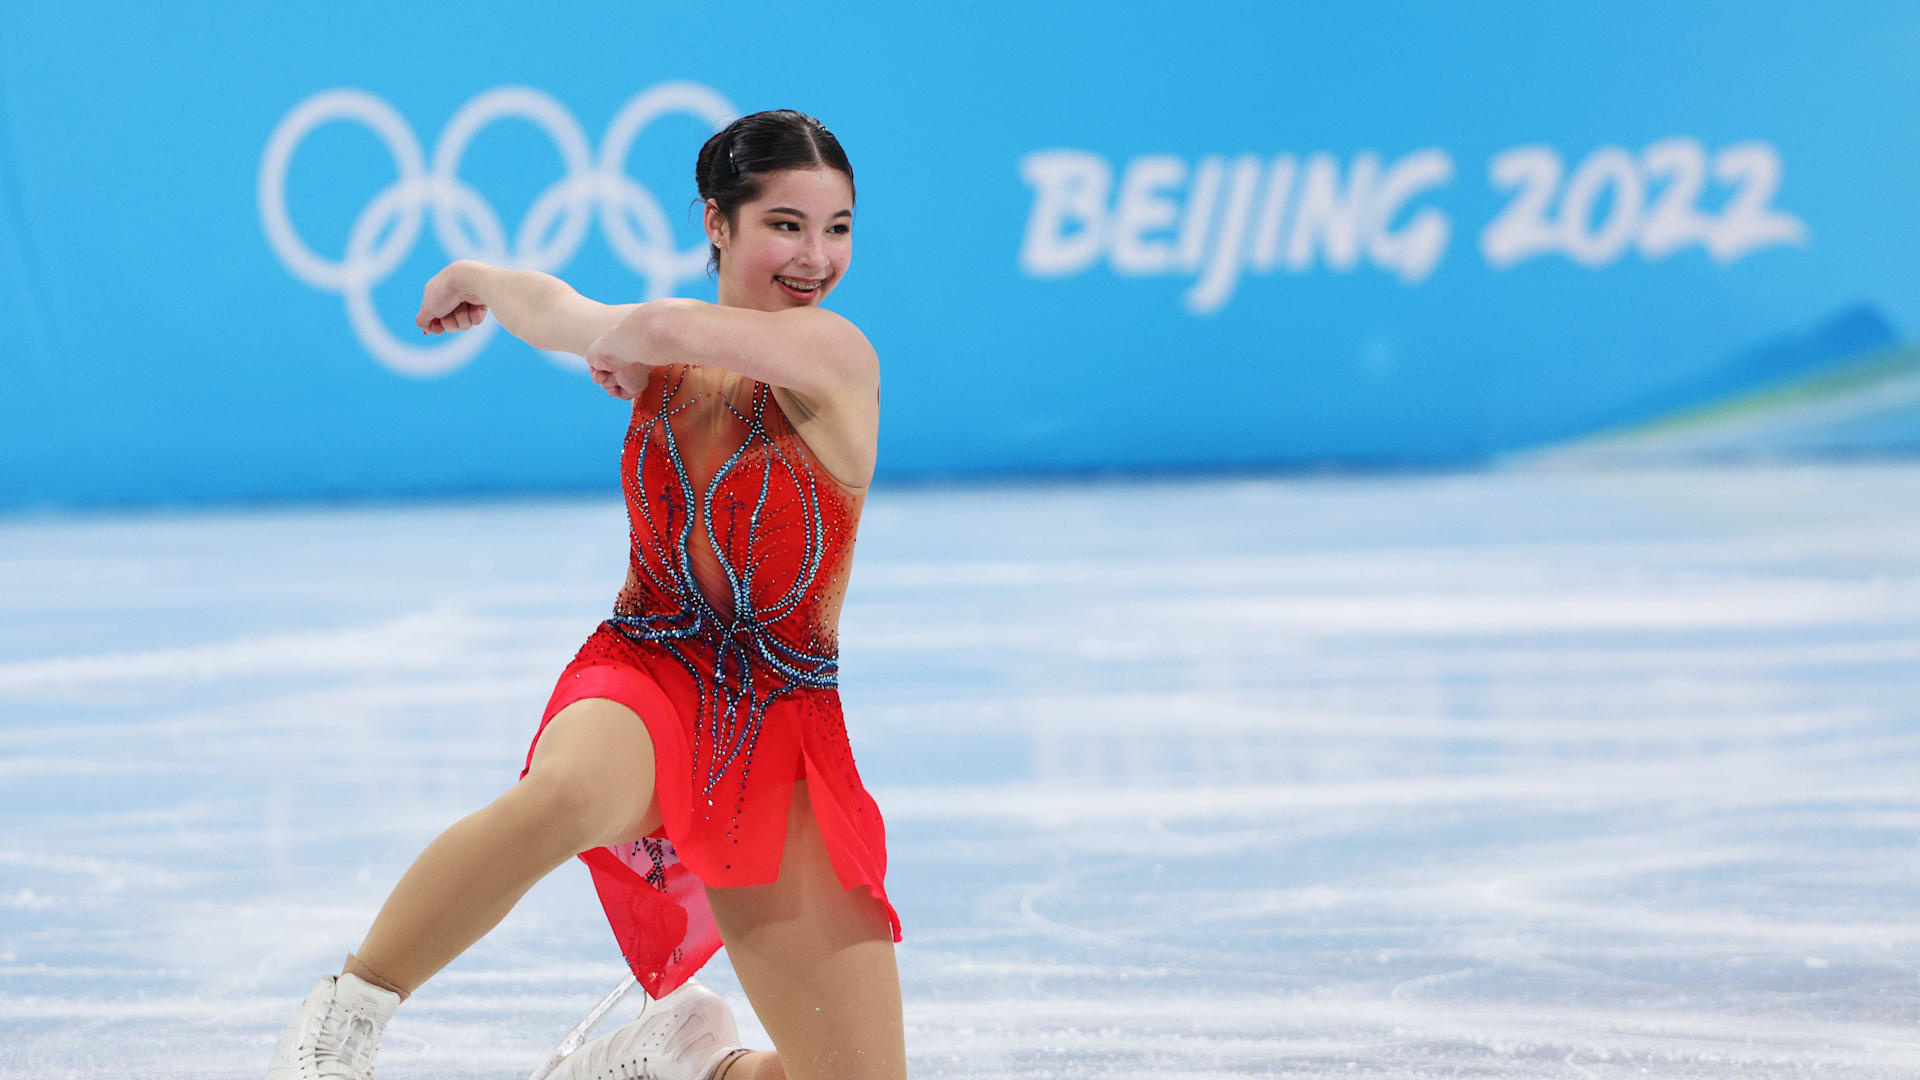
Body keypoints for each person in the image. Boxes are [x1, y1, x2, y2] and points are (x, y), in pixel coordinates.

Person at [263, 109, 902, 1080]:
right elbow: (549, 305)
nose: (815, 256)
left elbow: (652, 323)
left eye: (838, 228)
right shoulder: (659, 345)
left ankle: (691, 1061)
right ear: (718, 225)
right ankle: (343, 1020)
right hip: (651, 659)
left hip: (778, 722)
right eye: (785, 224)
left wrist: (624, 337)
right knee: (564, 793)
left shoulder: (836, 359)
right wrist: (477, 279)